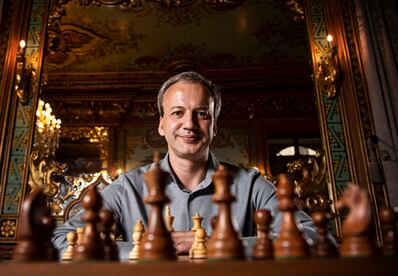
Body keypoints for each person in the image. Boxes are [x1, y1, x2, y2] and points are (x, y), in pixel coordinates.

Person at [52, 71, 317, 255]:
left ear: (214, 126)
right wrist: (147, 249)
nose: (189, 124)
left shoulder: (252, 186)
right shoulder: (127, 189)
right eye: (178, 113)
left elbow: (315, 238)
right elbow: (59, 240)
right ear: (161, 124)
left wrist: (220, 244)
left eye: (201, 114)